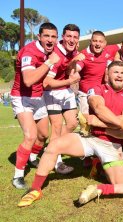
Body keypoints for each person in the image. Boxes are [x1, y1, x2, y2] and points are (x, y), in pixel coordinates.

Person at [17, 61, 123, 207]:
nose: (119, 76)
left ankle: (98, 166)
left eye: (122, 73)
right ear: (108, 75)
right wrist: (112, 122)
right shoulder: (96, 89)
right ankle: (35, 189)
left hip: (111, 143)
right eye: (115, 72)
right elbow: (99, 108)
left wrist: (97, 122)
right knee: (54, 145)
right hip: (90, 136)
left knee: (122, 184)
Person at [10, 22, 59, 189]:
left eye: (53, 36)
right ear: (39, 37)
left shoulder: (51, 51)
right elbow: (28, 80)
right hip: (21, 97)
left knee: (44, 134)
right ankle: (18, 175)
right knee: (30, 136)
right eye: (46, 36)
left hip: (38, 97)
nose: (50, 40)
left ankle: (31, 157)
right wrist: (49, 63)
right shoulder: (30, 52)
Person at [42, 24, 82, 174]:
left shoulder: (73, 51)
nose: (72, 40)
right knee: (57, 127)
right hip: (51, 92)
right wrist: (70, 81)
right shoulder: (56, 55)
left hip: (65, 90)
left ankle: (53, 146)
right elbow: (46, 83)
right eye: (69, 36)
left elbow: (68, 71)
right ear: (63, 37)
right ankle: (57, 162)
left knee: (72, 123)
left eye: (75, 37)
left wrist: (74, 63)